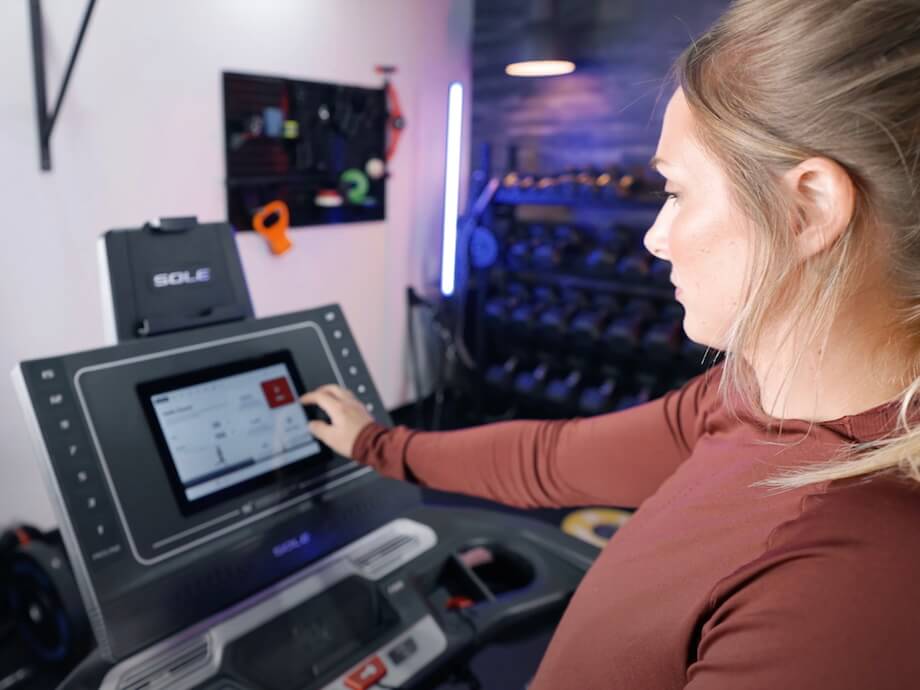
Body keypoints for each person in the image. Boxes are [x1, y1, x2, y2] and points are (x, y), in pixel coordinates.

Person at [303, 1, 920, 687]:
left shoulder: (844, 587)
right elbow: (551, 458)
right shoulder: (751, 397)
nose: (655, 236)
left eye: (676, 192)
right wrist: (375, 444)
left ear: (808, 209)